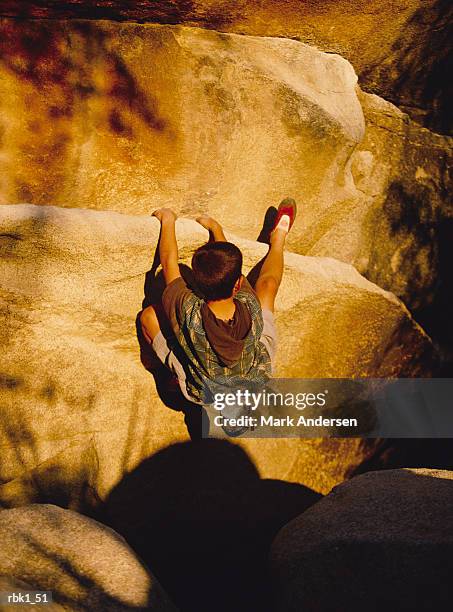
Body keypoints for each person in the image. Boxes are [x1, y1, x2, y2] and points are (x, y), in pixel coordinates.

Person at [140, 198, 297, 406]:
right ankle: (278, 239)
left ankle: (169, 374)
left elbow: (169, 262)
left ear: (196, 284)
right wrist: (216, 229)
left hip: (206, 391)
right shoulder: (249, 304)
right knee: (268, 286)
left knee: (149, 316)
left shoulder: (188, 310)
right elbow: (231, 270)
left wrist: (167, 220)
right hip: (255, 375)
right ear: (238, 285)